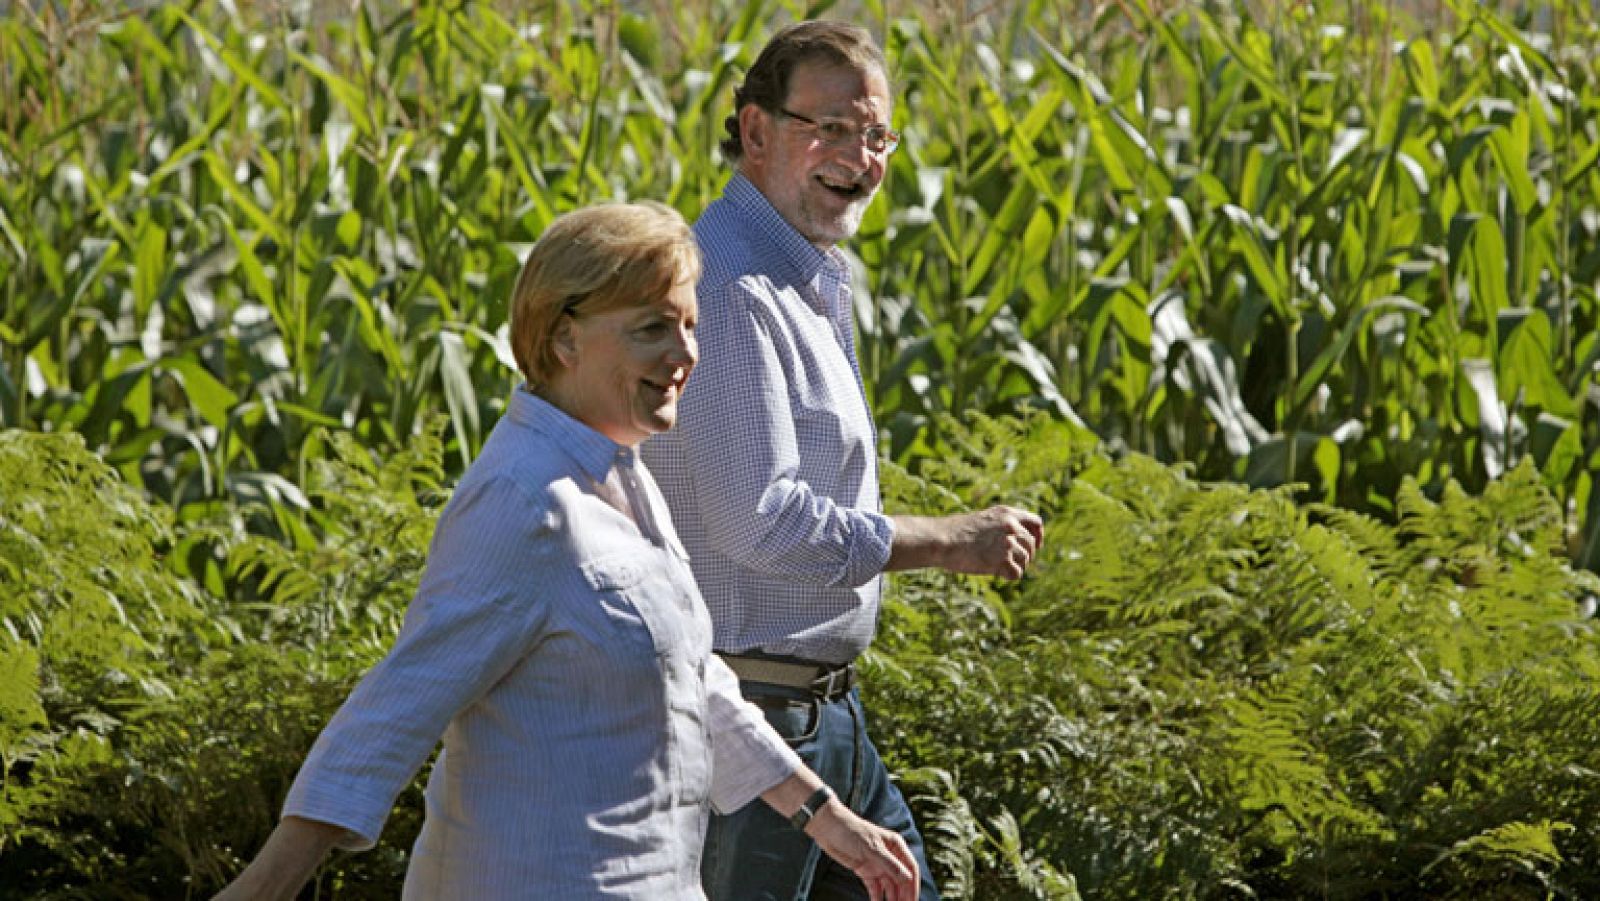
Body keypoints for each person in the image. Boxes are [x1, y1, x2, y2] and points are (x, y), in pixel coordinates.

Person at [214, 202, 919, 901]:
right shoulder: (523, 499)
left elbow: (693, 675)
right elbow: (396, 707)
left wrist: (825, 817)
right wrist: (264, 886)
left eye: (689, 324)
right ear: (561, 338)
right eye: (653, 328)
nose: (684, 354)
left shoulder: (624, 473)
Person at [640, 20, 1044, 901]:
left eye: (875, 135)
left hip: (825, 718)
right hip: (750, 733)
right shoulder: (734, 290)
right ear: (755, 131)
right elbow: (763, 520)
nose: (856, 157)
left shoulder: (808, 277)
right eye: (828, 128)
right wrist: (947, 540)